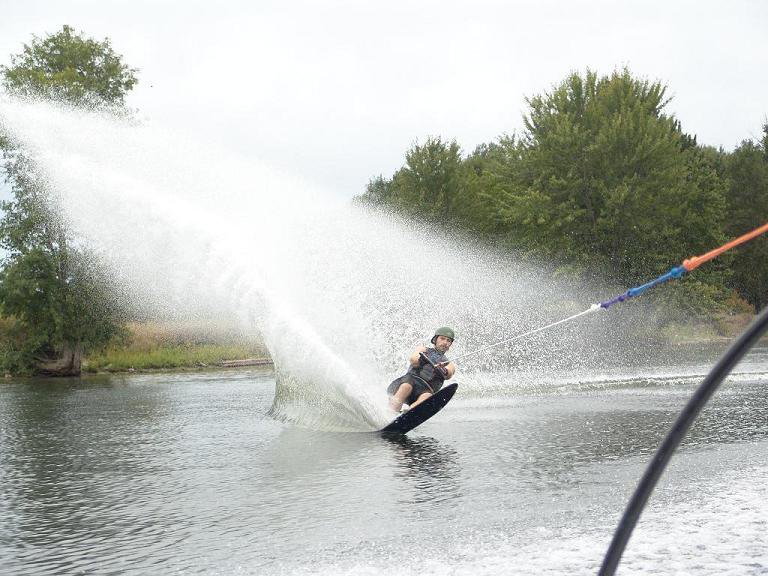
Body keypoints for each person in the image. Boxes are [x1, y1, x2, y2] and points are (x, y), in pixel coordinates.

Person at [387, 327, 457, 412]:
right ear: (435, 340)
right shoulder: (423, 349)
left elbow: (449, 373)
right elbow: (413, 359)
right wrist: (422, 359)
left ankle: (407, 414)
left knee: (427, 396)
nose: (445, 342)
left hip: (426, 390)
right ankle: (391, 411)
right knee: (406, 386)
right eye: (442, 339)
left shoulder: (449, 363)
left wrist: (443, 370)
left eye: (448, 341)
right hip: (410, 381)